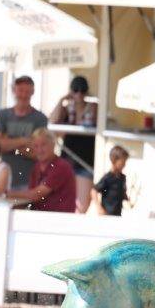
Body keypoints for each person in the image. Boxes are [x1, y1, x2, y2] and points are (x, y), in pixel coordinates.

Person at [0, 75, 50, 191]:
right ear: (13, 90)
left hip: (30, 179)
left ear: (33, 92)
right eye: (20, 90)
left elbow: (38, 152)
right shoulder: (2, 115)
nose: (24, 95)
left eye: (27, 91)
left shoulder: (40, 118)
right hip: (4, 178)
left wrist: (8, 142)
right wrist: (24, 141)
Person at [50, 75, 97, 213]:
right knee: (62, 203)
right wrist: (62, 100)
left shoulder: (94, 107)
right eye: (76, 90)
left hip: (85, 161)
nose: (79, 93)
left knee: (81, 208)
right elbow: (52, 121)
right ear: (71, 91)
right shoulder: (66, 109)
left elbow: (100, 122)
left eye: (83, 90)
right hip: (67, 159)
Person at [22, 128, 76, 212]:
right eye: (36, 146)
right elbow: (31, 195)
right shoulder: (37, 167)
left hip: (58, 217)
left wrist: (7, 194)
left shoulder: (61, 166)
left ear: (53, 144)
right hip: (42, 215)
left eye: (43, 145)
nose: (39, 150)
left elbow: (36, 195)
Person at [92, 145, 132, 216]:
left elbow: (121, 193)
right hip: (107, 215)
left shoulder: (122, 178)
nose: (124, 164)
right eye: (122, 162)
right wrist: (99, 208)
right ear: (114, 160)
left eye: (125, 162)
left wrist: (127, 200)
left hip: (117, 215)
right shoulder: (108, 177)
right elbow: (93, 191)